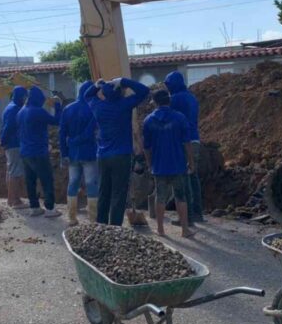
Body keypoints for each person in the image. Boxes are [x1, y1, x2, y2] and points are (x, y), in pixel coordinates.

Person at [85, 77, 149, 226]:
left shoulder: (97, 106)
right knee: (118, 194)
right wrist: (124, 81)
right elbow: (144, 91)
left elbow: (87, 95)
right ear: (120, 93)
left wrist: (96, 85)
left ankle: (101, 225)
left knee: (103, 191)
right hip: (121, 156)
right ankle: (115, 228)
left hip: (102, 155)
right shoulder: (124, 105)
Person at [143, 90, 195, 238]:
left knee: (160, 197)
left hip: (159, 166)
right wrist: (191, 162)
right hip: (178, 164)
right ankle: (185, 230)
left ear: (155, 102)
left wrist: (150, 164)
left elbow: (146, 147)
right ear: (169, 101)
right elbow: (187, 143)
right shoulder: (180, 118)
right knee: (180, 196)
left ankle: (160, 230)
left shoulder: (148, 120)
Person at [164, 71, 204, 224]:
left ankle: (186, 217)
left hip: (182, 143)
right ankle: (197, 213)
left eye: (168, 85)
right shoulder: (191, 98)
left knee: (183, 179)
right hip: (195, 140)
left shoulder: (174, 99)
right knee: (193, 178)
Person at [17, 86, 62, 218]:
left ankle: (34, 207)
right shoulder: (37, 111)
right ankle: (50, 209)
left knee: (30, 181)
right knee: (46, 180)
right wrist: (58, 105)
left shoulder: (21, 112)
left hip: (25, 152)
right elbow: (56, 121)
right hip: (38, 152)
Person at [59, 81, 99, 226]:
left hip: (72, 153)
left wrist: (64, 153)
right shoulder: (93, 107)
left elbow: (61, 133)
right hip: (89, 152)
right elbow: (92, 131)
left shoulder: (67, 109)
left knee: (73, 183)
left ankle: (71, 218)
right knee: (91, 184)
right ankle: (93, 219)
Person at [0, 86, 29, 209]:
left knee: (11, 171)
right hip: (14, 145)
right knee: (15, 173)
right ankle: (14, 201)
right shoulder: (14, 109)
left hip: (11, 144)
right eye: (24, 96)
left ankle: (11, 199)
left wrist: (2, 143)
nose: (25, 99)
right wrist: (3, 143)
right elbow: (8, 128)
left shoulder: (10, 107)